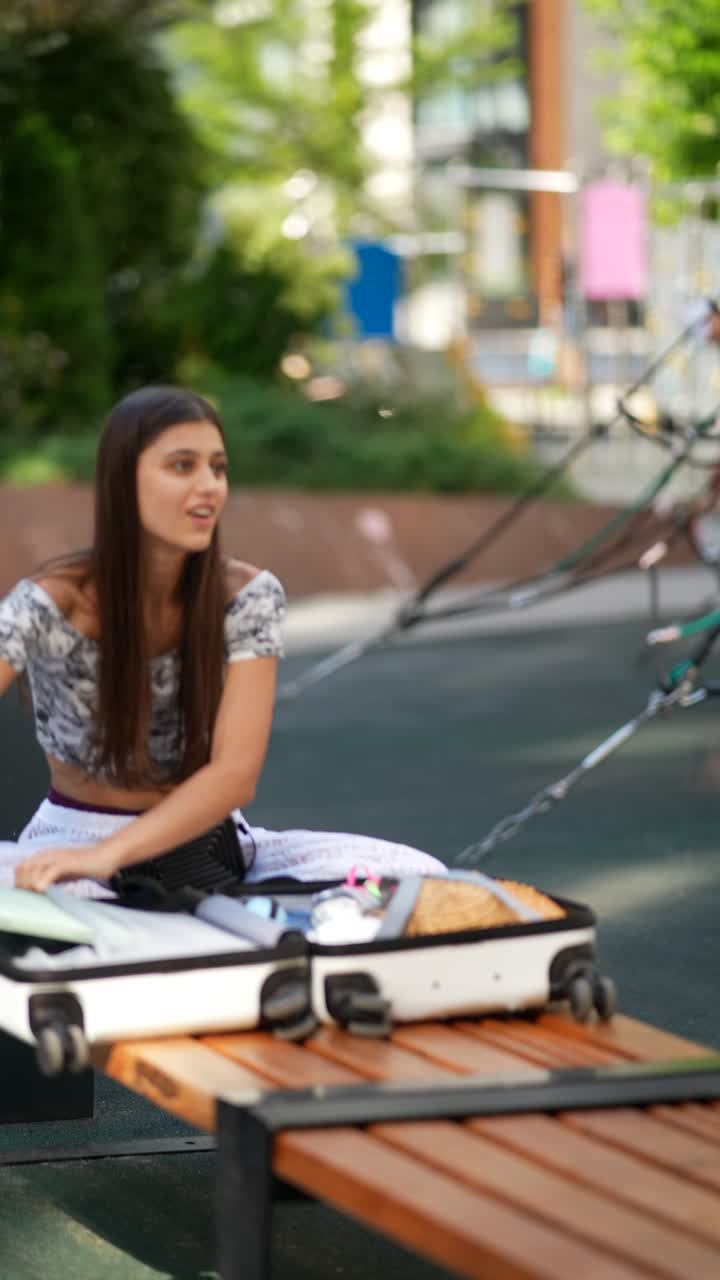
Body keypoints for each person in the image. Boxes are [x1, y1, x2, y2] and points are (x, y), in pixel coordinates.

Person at [0, 386, 445, 898]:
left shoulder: (247, 595)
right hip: (75, 845)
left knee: (420, 879)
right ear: (123, 480)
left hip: (208, 847)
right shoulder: (51, 601)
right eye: (182, 466)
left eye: (218, 468)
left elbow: (235, 775)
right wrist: (98, 857)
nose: (209, 486)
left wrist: (113, 855)